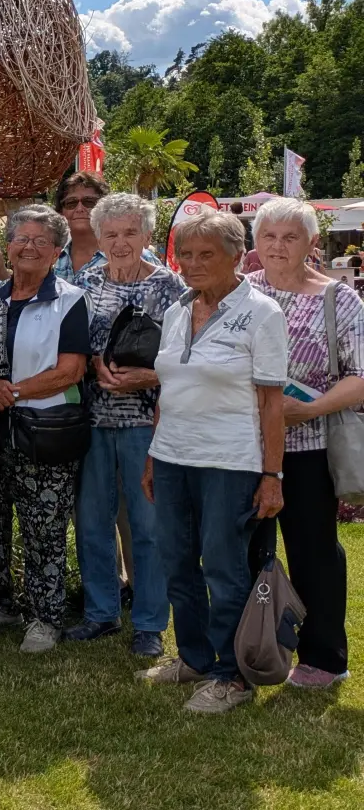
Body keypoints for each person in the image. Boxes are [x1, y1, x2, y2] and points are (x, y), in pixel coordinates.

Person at [142, 210, 287, 713]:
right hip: (172, 457)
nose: (193, 263)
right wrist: (154, 453)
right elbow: (168, 387)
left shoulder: (263, 312)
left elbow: (273, 403)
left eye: (207, 254)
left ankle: (233, 674)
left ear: (234, 256)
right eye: (185, 253)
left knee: (224, 569)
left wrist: (272, 475)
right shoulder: (178, 311)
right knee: (176, 564)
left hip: (230, 461)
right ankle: (196, 657)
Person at [0, 206, 91, 655]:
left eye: (42, 241)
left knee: (44, 525)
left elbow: (71, 370)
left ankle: (46, 616)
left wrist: (14, 392)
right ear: (8, 245)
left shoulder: (70, 299)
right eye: (21, 238)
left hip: (44, 429)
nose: (29, 247)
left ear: (58, 251)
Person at [248, 198, 360, 689]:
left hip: (310, 445)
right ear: (254, 244)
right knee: (245, 551)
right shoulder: (240, 293)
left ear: (312, 244)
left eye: (290, 237)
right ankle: (250, 646)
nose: (277, 246)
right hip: (242, 447)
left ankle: (323, 657)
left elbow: (361, 376)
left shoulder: (340, 300)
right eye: (268, 236)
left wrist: (307, 410)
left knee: (313, 550)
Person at [68, 193, 184, 657]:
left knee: (147, 523)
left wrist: (149, 374)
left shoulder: (171, 287)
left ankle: (151, 623)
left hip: (147, 420)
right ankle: (100, 613)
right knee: (93, 521)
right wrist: (94, 363)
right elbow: (73, 343)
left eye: (130, 233)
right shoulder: (84, 282)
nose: (120, 242)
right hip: (91, 418)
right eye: (111, 234)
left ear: (148, 236)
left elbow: (187, 356)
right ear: (98, 237)